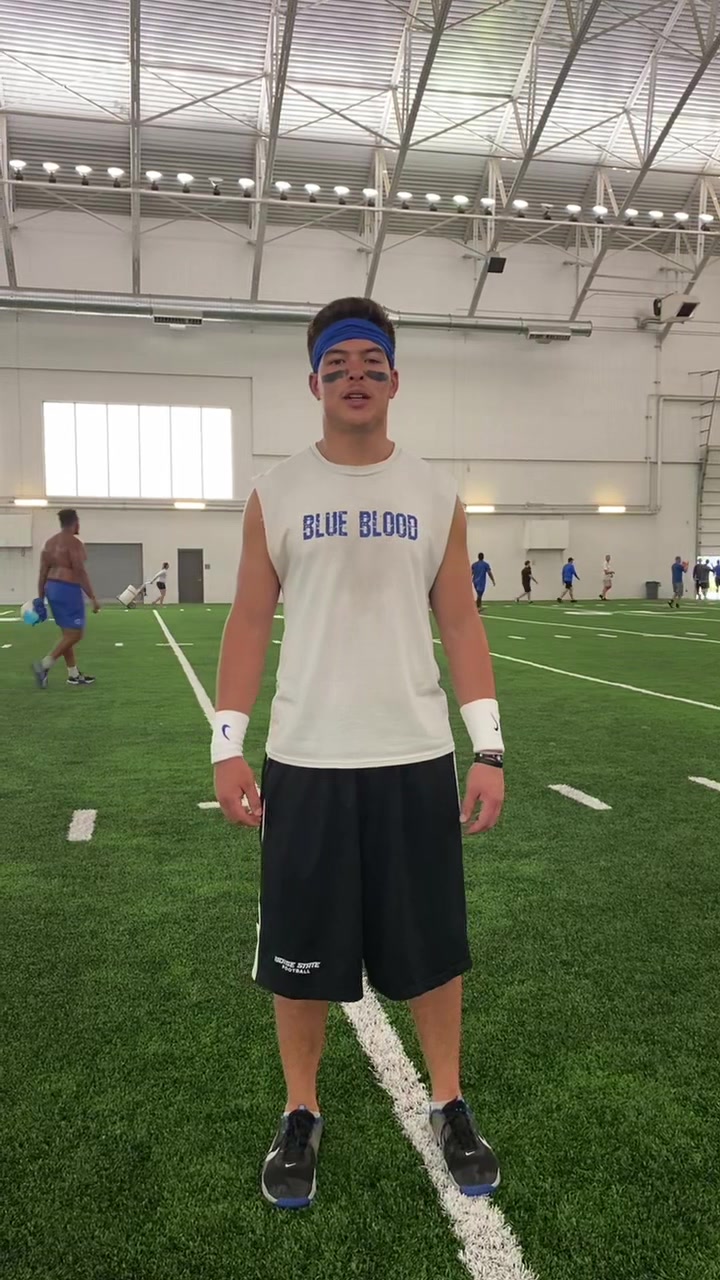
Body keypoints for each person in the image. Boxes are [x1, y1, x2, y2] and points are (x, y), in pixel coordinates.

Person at [213, 296, 505, 1210]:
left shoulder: (434, 494)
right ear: (314, 382)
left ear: (393, 379)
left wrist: (489, 747)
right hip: (306, 757)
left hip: (413, 755)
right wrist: (227, 745)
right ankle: (301, 1112)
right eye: (337, 364)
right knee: (298, 954)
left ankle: (449, 1102)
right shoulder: (277, 493)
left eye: (370, 363)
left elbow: (460, 621)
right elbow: (248, 620)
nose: (354, 377)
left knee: (432, 949)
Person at [32, 508, 99, 688]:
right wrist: (93, 597)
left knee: (67, 634)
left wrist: (41, 598)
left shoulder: (49, 543)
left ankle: (73, 675)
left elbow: (42, 572)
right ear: (75, 523)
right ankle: (44, 665)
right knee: (76, 634)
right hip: (68, 589)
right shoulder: (74, 543)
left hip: (51, 589)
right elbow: (79, 570)